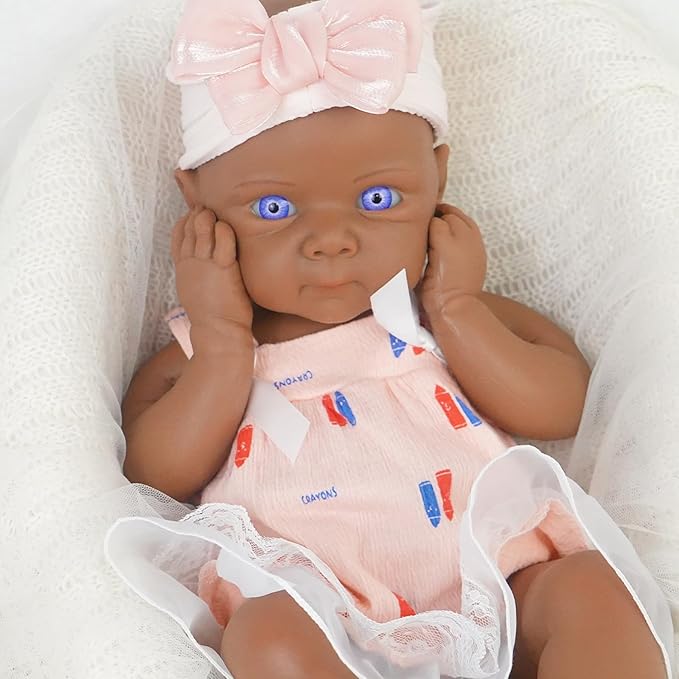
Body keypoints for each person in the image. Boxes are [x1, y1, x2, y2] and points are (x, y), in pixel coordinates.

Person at [111, 0, 672, 677]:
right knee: (268, 638)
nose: (331, 241)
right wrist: (224, 342)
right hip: (322, 609)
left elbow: (565, 406)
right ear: (196, 203)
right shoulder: (201, 352)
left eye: (377, 199)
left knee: (592, 591)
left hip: (496, 579)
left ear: (438, 177)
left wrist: (458, 309)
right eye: (273, 208)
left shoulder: (441, 316)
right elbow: (155, 474)